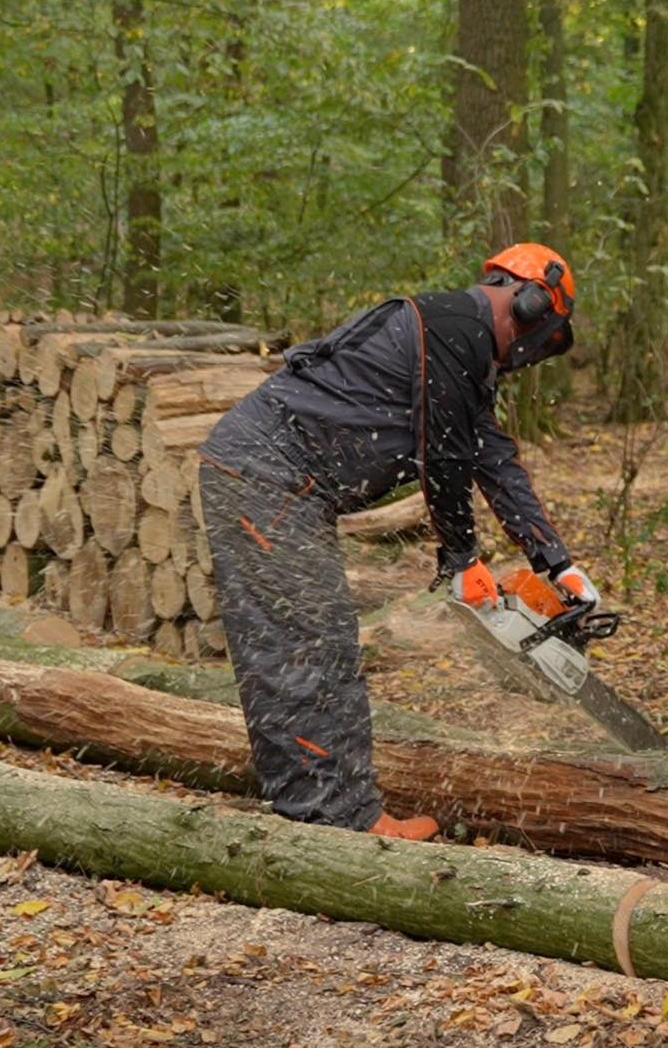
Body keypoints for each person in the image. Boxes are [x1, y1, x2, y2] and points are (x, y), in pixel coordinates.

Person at [197, 244, 596, 840]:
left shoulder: (461, 350)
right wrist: (461, 558)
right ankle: (333, 822)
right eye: (542, 339)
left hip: (283, 486)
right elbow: (446, 455)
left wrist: (557, 564)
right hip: (265, 476)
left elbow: (495, 462)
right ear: (532, 303)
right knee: (307, 648)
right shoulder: (454, 328)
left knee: (317, 644)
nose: (530, 356)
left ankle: (322, 814)